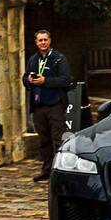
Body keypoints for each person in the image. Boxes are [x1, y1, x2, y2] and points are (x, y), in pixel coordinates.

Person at [22, 29, 73, 182]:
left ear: (49, 41)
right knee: (43, 140)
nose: (43, 43)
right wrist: (29, 80)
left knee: (57, 138)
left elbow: (66, 80)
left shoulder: (59, 59)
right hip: (39, 105)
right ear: (36, 42)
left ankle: (60, 171)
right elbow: (24, 78)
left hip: (55, 104)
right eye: (40, 40)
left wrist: (46, 81)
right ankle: (46, 169)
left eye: (45, 40)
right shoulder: (33, 59)